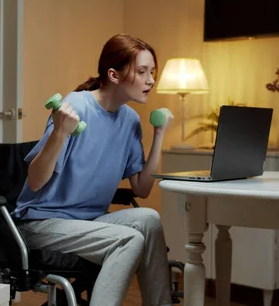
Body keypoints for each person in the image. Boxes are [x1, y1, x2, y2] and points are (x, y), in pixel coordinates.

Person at [12, 33, 174, 306]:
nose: (151, 80)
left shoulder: (130, 120)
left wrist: (159, 135)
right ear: (114, 75)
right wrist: (59, 134)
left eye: (152, 73)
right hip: (42, 222)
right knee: (128, 240)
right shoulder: (75, 106)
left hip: (88, 222)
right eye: (143, 72)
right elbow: (36, 182)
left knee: (150, 219)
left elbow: (142, 190)